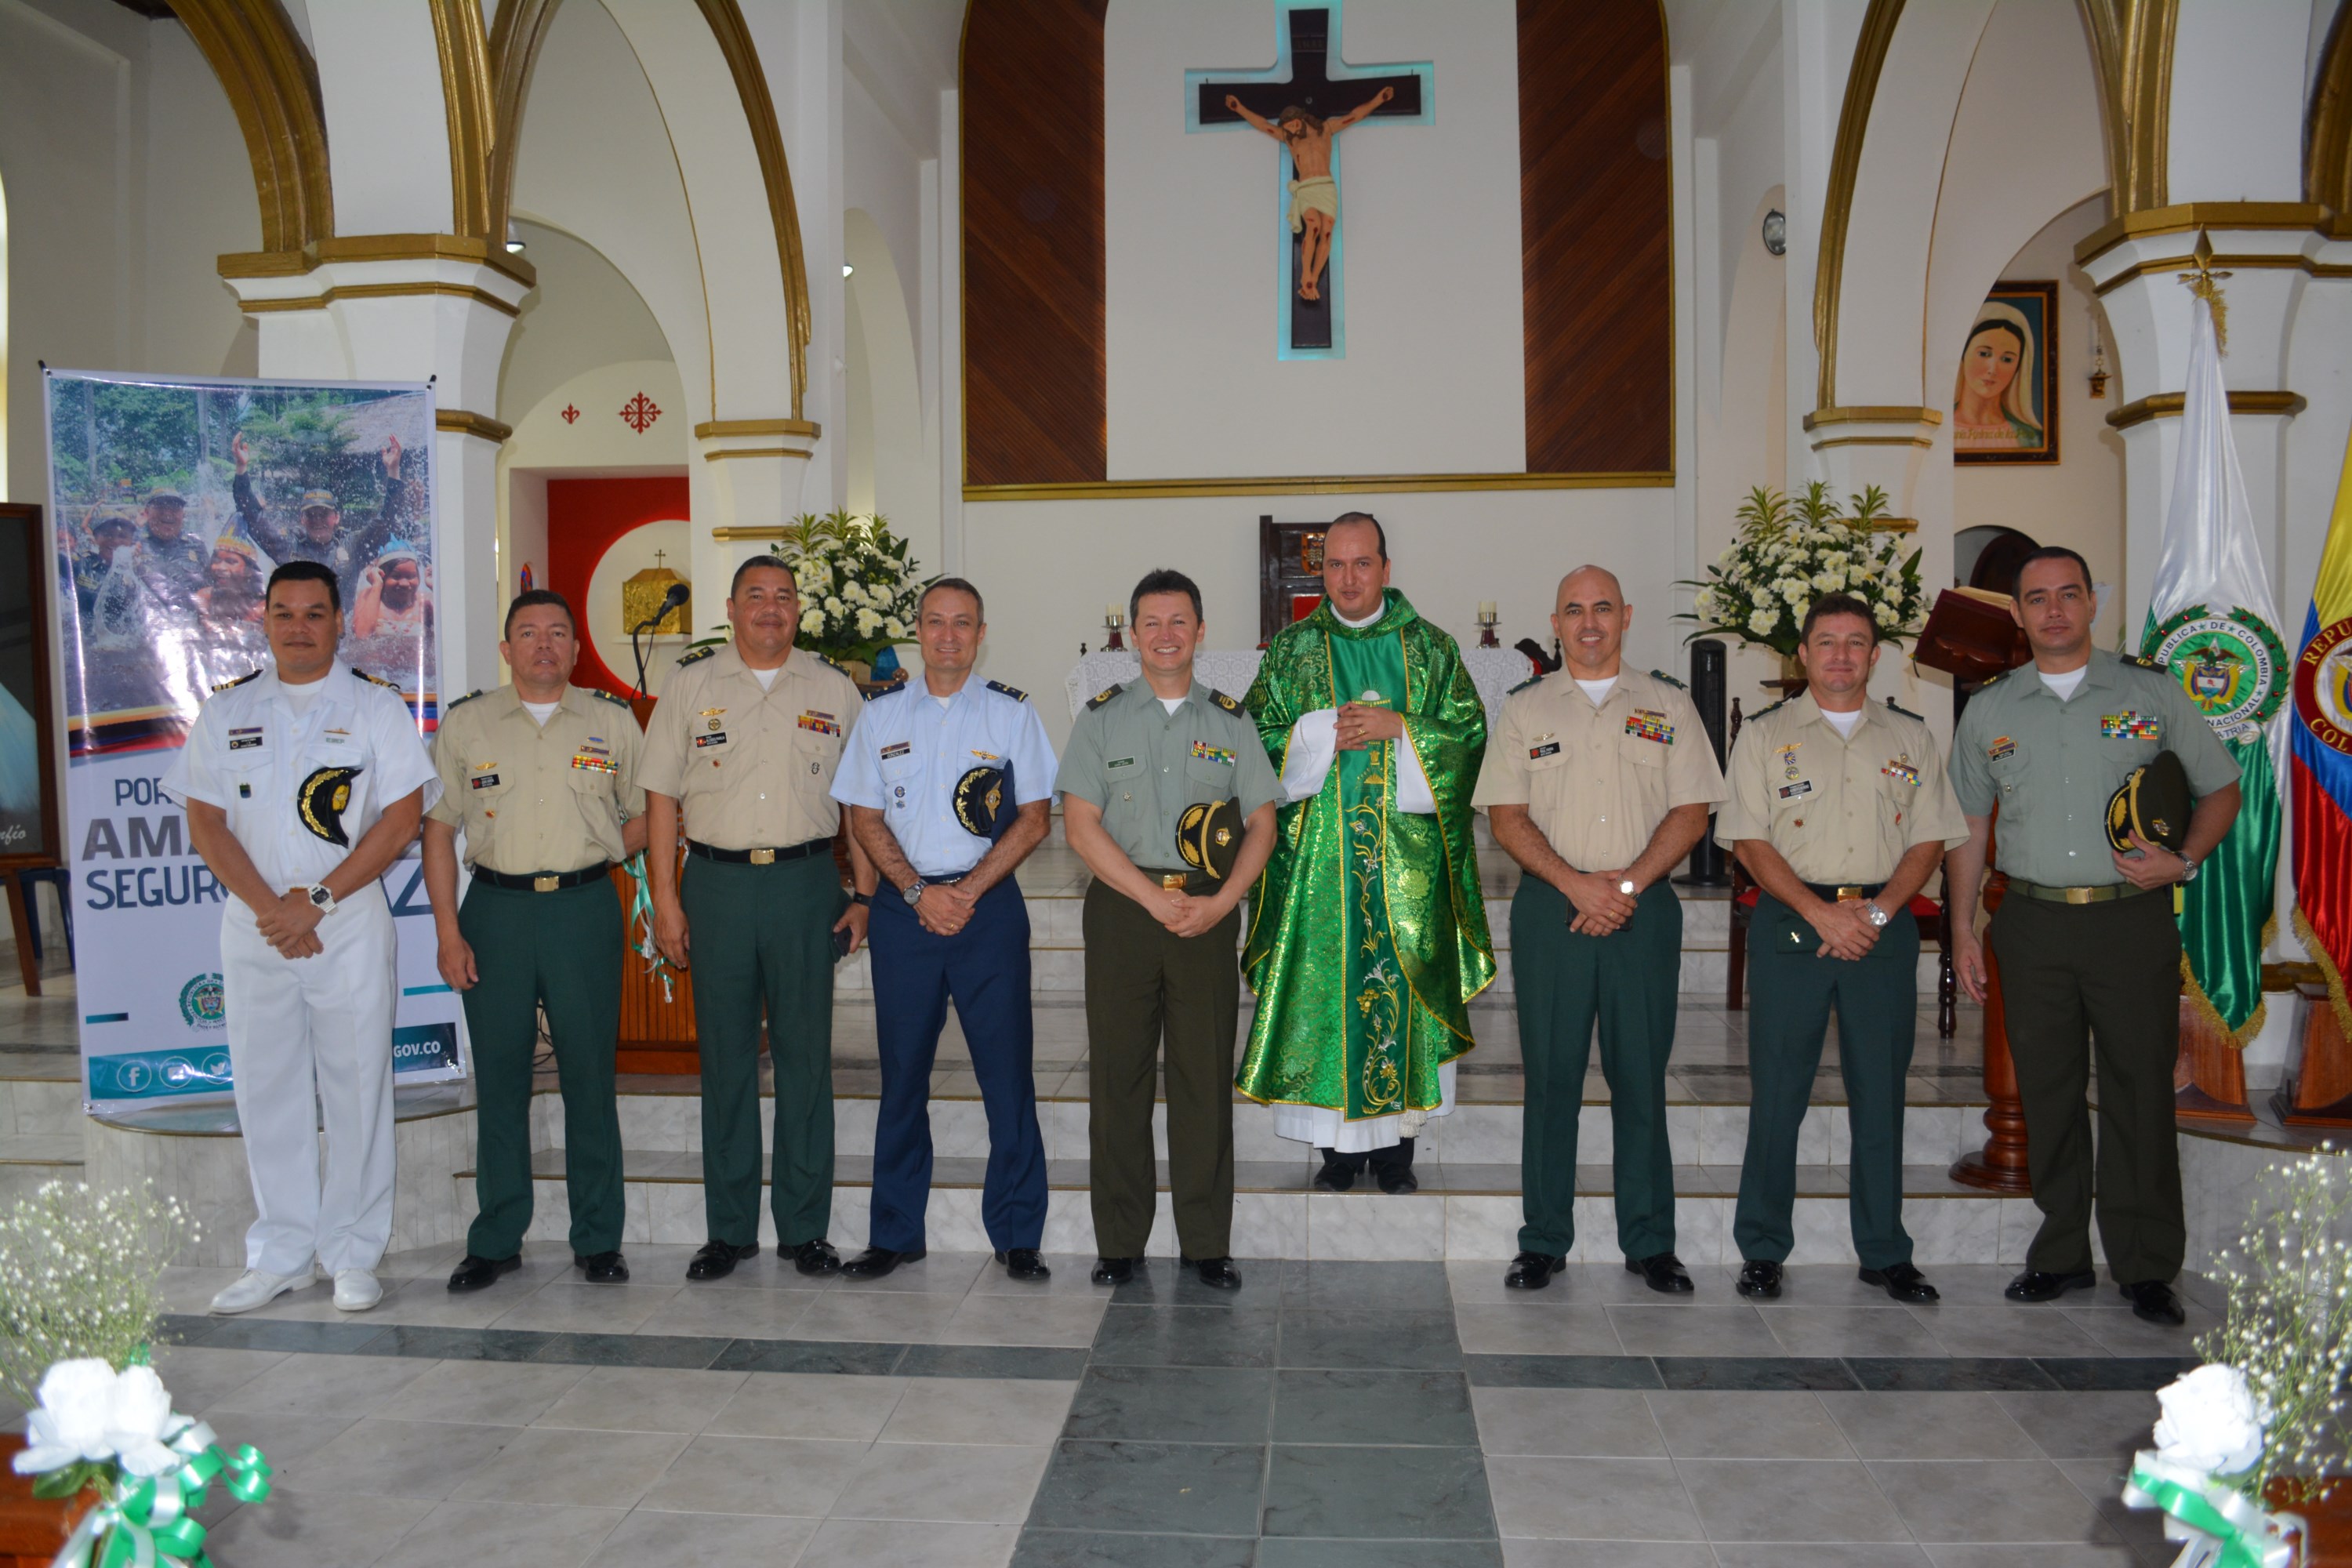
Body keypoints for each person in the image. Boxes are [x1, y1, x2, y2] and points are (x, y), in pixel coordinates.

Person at [1948, 546, 2241, 1324]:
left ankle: (2146, 1264)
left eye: (2068, 594)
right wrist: (1964, 930)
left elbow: (2221, 786)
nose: (2053, 610)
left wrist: (2183, 861)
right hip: (2033, 920)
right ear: (2016, 612)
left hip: (2128, 921)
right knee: (2046, 1092)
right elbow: (1968, 829)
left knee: (2140, 1089)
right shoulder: (1992, 708)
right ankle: (2061, 1253)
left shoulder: (2150, 691)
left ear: (2090, 603)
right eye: (2036, 598)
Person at [163, 560, 437, 1314]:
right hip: (257, 927)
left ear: (340, 620)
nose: (298, 627)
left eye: (314, 613)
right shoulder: (225, 712)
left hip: (344, 922)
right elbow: (206, 822)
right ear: (263, 619)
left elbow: (402, 819)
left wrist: (314, 901)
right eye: (284, 613)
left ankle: (351, 1252)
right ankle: (280, 1253)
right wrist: (274, 911)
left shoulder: (376, 709)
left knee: (357, 1088)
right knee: (266, 1087)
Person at [1472, 565, 1722, 1293]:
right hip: (1553, 911)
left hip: (1643, 912)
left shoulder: (1668, 704)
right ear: (1555, 623)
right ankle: (1544, 1238)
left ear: (1626, 615)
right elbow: (1505, 816)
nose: (1589, 622)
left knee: (1640, 1078)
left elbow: (1692, 811)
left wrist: (1624, 885)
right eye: (1574, 610)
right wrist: (1578, 884)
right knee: (1551, 1080)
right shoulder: (1524, 709)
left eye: (1603, 608)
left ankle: (1650, 1242)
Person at [1716, 593, 1967, 1303]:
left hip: (1882, 930)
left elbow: (1930, 837)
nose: (1841, 656)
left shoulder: (1911, 736)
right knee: (1779, 1095)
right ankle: (1763, 1248)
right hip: (1793, 925)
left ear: (1875, 655)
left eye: (1856, 643)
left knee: (1880, 1095)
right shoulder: (1765, 735)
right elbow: (1748, 839)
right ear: (1803, 653)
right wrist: (1819, 912)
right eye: (1827, 642)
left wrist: (1881, 912)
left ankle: (1885, 1251)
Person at [1239, 514, 1493, 1194]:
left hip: (1406, 874)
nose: (1348, 580)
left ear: (1385, 567)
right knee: (1328, 994)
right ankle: (1338, 1154)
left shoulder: (1431, 649)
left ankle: (1397, 1154)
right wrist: (1323, 732)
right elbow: (1252, 742)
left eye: (1362, 564)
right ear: (1322, 572)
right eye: (1336, 567)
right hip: (1319, 872)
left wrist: (1400, 729)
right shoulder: (1293, 650)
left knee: (1401, 994)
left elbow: (1468, 740)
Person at [642, 556, 873, 1282]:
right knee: (727, 1061)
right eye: (755, 597)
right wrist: (666, 901)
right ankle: (729, 1229)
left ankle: (805, 1228)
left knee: (807, 1061)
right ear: (733, 607)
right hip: (715, 885)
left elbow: (863, 804)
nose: (770, 609)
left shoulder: (836, 689)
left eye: (783, 597)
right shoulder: (689, 687)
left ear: (797, 610)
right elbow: (659, 803)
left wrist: (864, 895)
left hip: (807, 884)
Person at [1059, 569, 1281, 1289]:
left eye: (1179, 621)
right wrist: (1152, 900)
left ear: (1201, 631)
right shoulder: (1100, 719)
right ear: (1132, 634)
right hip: (1126, 913)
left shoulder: (1229, 720)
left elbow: (1262, 823)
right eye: (1151, 622)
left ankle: (1205, 1241)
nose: (1165, 635)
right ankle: (1120, 1242)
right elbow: (1080, 826)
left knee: (1204, 1080)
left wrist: (1223, 906)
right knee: (1118, 1079)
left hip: (1208, 916)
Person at [832, 578, 1058, 1280]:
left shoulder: (1010, 715)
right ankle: (896, 1233)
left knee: (1007, 1077)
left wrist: (964, 892)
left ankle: (1018, 1233)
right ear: (917, 631)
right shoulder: (878, 718)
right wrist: (916, 891)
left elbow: (1035, 816)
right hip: (906, 915)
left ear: (981, 632)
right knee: (902, 1078)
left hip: (986, 912)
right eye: (936, 622)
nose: (949, 636)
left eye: (963, 624)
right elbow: (863, 817)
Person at [424, 590, 645, 1292]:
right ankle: (495, 1238)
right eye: (528, 632)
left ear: (577, 649)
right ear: (506, 648)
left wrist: (604, 851)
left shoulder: (613, 724)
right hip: (496, 910)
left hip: (583, 909)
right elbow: (437, 829)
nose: (543, 644)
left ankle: (598, 1238)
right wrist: (448, 930)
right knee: (501, 1078)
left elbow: (650, 815)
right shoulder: (467, 725)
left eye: (557, 633)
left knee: (589, 1077)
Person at [1225, 85, 1393, 302]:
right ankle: (1306, 274)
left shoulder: (1327, 129)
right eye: (1288, 128)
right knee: (1313, 225)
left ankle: (1312, 279)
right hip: (1306, 188)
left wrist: (1379, 99)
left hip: (1326, 186)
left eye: (1293, 124)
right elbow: (1263, 125)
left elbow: (1354, 115)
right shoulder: (1289, 138)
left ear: (1300, 117)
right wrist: (1239, 108)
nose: (1292, 130)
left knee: (1327, 231)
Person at [230, 430, 408, 594]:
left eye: (323, 514)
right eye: (311, 515)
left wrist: (393, 471)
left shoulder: (353, 546)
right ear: (302, 519)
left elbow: (386, 520)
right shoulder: (289, 546)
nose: (317, 520)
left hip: (339, 628)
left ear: (336, 517)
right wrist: (241, 469)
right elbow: (253, 517)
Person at [1953, 303, 2045, 453]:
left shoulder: (2032, 439)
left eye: (2007, 359)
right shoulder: (1935, 431)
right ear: (1963, 356)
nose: (1992, 370)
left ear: (2018, 367)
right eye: (1984, 354)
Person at [135, 488, 209, 607]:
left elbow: (210, 585)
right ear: (147, 512)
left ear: (183, 514)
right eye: (161, 507)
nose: (168, 513)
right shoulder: (133, 543)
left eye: (174, 508)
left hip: (188, 618)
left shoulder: (196, 545)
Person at [352, 548, 433, 640]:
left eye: (411, 576)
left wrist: (433, 586)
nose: (404, 584)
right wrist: (377, 585)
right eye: (396, 576)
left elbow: (449, 629)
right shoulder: (369, 595)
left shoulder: (425, 601)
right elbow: (362, 635)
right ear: (382, 576)